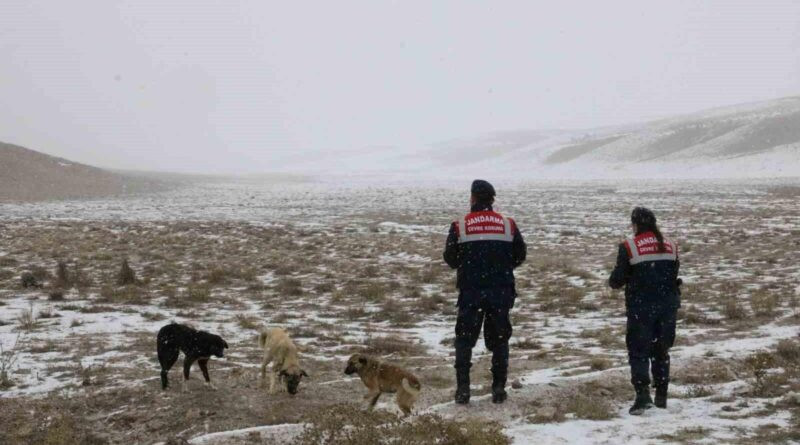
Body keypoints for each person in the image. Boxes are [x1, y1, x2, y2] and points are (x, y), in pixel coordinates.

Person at [443, 179, 527, 404]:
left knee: (464, 341)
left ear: (472, 198)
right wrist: (500, 266)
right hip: (500, 293)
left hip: (471, 293)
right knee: (500, 340)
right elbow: (520, 255)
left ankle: (463, 389)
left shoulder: (460, 225)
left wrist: (470, 265)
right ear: (492, 199)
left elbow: (450, 258)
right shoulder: (508, 224)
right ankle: (498, 388)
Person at [609, 207, 681, 415]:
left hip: (642, 307)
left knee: (639, 351)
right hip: (668, 306)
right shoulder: (671, 245)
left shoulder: (629, 246)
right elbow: (674, 273)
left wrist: (615, 281)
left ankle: (642, 397)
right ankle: (661, 396)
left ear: (636, 224)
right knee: (661, 350)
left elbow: (617, 279)